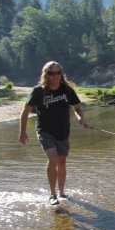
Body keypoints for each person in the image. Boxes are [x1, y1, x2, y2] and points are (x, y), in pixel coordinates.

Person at [19, 61, 89, 205]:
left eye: (58, 73)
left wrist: (81, 120)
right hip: (45, 131)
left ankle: (62, 193)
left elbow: (77, 108)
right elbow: (25, 112)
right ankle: (52, 195)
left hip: (63, 131)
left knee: (62, 161)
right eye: (51, 73)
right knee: (53, 158)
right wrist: (22, 132)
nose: (55, 76)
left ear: (61, 74)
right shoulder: (38, 91)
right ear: (46, 74)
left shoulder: (67, 90)